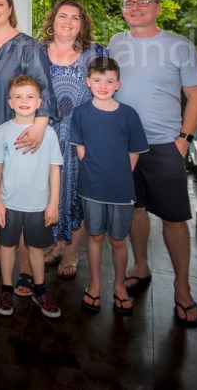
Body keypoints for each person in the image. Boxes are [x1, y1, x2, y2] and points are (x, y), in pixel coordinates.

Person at [109, 0, 197, 328]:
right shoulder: (116, 44)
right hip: (123, 146)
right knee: (135, 209)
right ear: (122, 9)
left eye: (143, 1)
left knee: (175, 218)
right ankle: (140, 265)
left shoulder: (179, 46)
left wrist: (184, 139)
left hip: (166, 144)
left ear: (158, 7)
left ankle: (182, 287)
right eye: (128, 2)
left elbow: (196, 95)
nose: (135, 7)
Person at [0, 0, 56, 295]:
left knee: (19, 196)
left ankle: (23, 268)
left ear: (9, 8)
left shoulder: (26, 46)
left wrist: (40, 127)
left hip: (21, 135)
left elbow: (44, 88)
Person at [71, 57, 149, 316]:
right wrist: (95, 172)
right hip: (91, 187)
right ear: (88, 82)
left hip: (121, 190)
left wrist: (119, 176)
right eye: (97, 80)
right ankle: (94, 284)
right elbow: (80, 147)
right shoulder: (81, 113)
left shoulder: (128, 114)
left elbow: (134, 152)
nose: (103, 85)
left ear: (118, 84)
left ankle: (118, 285)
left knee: (117, 239)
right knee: (95, 236)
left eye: (109, 81)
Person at [38, 0, 108, 279]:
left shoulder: (95, 54)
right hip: (46, 137)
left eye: (75, 18)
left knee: (77, 197)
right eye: (62, 16)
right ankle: (55, 246)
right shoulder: (37, 53)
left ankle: (70, 253)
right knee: (50, 195)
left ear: (82, 24)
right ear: (52, 21)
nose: (68, 22)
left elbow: (106, 94)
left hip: (82, 139)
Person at [0, 75, 62, 318]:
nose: (24, 101)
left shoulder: (48, 133)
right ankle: (6, 289)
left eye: (30, 96)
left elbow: (54, 168)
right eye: (18, 97)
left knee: (37, 249)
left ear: (39, 102)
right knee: (7, 247)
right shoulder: (2, 132)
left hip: (38, 204)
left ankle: (39, 290)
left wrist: (53, 204)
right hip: (9, 204)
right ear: (10, 102)